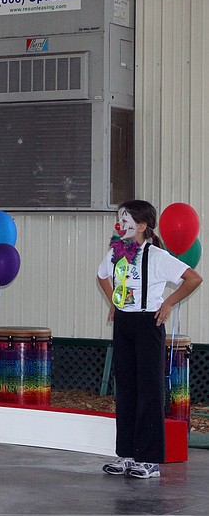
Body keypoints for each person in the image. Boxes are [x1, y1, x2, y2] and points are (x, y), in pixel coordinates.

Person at [96, 200, 202, 479]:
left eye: (127, 220)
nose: (121, 225)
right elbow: (102, 276)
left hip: (148, 323)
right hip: (124, 323)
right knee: (127, 388)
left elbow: (193, 278)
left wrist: (168, 304)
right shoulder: (115, 252)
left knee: (149, 389)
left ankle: (150, 459)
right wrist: (114, 301)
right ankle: (127, 454)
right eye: (120, 220)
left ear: (142, 226)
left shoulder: (156, 255)